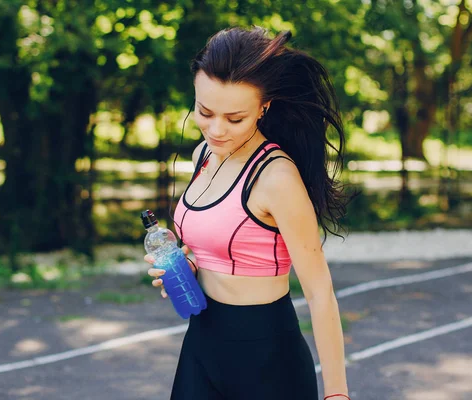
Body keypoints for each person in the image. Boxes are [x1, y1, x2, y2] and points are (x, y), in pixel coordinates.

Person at [145, 26, 350, 400]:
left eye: (234, 118)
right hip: (202, 344)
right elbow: (218, 246)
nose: (216, 129)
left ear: (263, 107)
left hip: (267, 359)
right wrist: (189, 268)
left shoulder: (276, 178)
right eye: (204, 112)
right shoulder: (202, 155)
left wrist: (337, 393)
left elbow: (320, 291)